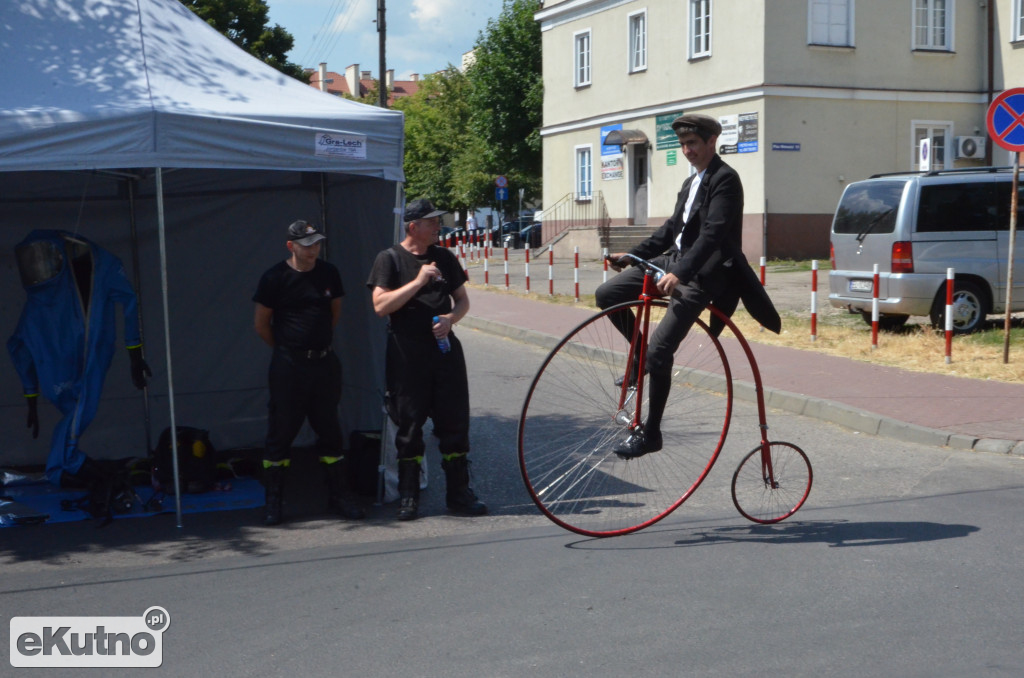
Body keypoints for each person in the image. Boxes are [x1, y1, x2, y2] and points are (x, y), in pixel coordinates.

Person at [595, 113, 780, 459]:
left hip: (705, 274)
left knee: (661, 351)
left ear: (712, 142)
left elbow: (713, 236)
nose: (687, 151)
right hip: (674, 262)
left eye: (693, 143)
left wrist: (679, 273)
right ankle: (639, 362)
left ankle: (651, 433)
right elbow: (670, 231)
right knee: (608, 294)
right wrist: (633, 256)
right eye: (683, 145)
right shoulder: (690, 182)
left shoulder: (726, 180)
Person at [366, 198, 487, 521]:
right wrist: (418, 282)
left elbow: (462, 301)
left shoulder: (444, 257)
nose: (438, 225)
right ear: (412, 227)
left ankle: (459, 493)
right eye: (432, 222)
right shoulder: (389, 259)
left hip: (445, 351)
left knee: (454, 422)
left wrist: (450, 318)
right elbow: (380, 306)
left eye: (438, 220)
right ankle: (408, 496)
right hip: (407, 352)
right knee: (409, 424)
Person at [252, 219, 364, 526]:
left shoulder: (329, 273)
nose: (313, 250)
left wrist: (315, 346)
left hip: (324, 365)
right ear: (291, 246)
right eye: (306, 245)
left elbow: (334, 315)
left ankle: (339, 495)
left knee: (330, 430)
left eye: (316, 244)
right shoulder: (274, 277)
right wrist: (289, 349)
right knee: (281, 432)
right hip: (289, 366)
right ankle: (274, 501)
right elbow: (261, 324)